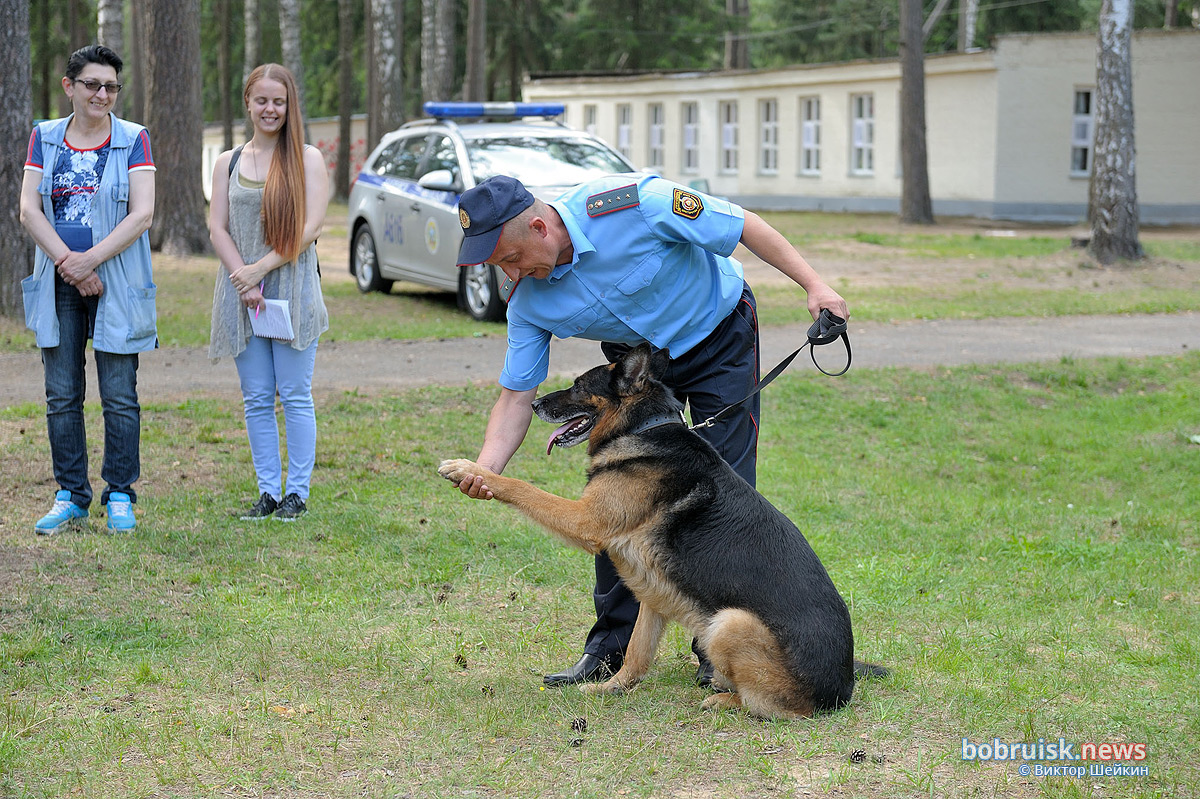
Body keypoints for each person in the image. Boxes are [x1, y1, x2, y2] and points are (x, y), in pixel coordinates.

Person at [451, 173, 849, 687]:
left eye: (509, 258)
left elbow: (742, 224)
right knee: (615, 504)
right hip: (635, 369)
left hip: (717, 335)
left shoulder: (635, 204)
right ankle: (610, 651)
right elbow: (516, 397)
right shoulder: (528, 301)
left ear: (537, 226)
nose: (509, 273)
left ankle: (722, 653)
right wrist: (486, 471)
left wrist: (814, 285)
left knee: (724, 494)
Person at [20, 44, 157, 535]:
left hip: (115, 279)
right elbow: (29, 209)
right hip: (57, 278)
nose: (103, 94)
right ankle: (71, 494)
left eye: (112, 86)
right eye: (93, 85)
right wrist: (70, 264)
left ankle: (119, 492)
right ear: (69, 87)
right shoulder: (44, 137)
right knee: (61, 394)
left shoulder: (134, 138)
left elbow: (142, 213)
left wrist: (91, 261)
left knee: (120, 393)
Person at [208, 63, 329, 522]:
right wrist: (243, 278)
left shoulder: (306, 158)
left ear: (288, 105)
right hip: (242, 294)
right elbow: (217, 227)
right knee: (256, 397)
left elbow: (310, 227)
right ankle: (268, 493)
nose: (270, 109)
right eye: (262, 100)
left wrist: (260, 268)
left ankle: (296, 493)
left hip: (291, 289)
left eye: (278, 101)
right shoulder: (229, 162)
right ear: (248, 102)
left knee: (295, 394)